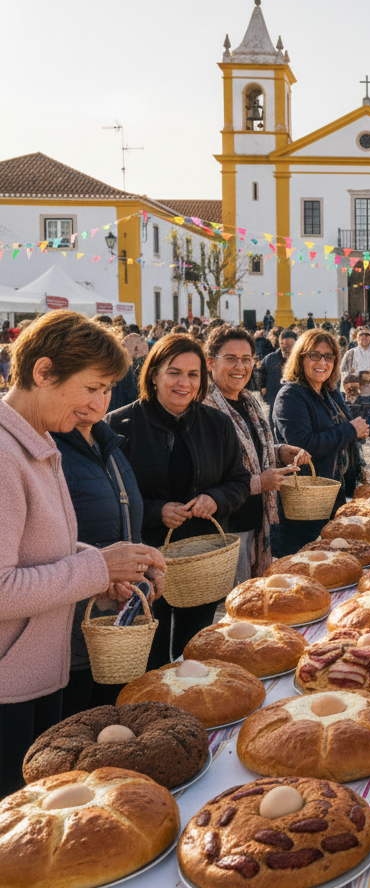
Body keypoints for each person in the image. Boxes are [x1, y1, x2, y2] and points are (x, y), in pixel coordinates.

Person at [1, 311, 167, 795]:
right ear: (43, 372)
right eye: (91, 388)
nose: (98, 408)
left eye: (107, 390)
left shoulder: (39, 441)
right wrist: (96, 565)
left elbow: (39, 548)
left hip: (35, 676)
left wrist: (103, 569)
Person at [108, 334, 251, 666]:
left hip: (200, 563)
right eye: (174, 372)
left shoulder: (216, 423)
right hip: (143, 563)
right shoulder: (120, 425)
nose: (184, 382)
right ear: (154, 374)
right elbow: (111, 499)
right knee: (149, 656)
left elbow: (240, 481)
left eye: (193, 374)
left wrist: (215, 499)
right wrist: (157, 511)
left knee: (195, 652)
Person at [55, 391, 149, 718]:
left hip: (116, 628)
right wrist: (103, 569)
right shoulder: (49, 448)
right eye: (88, 387)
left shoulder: (106, 442)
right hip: (70, 636)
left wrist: (142, 569)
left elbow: (127, 523)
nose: (98, 401)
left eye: (106, 388)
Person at [203, 327, 311, 580]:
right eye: (230, 358)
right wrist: (258, 483)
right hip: (226, 526)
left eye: (246, 359)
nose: (239, 366)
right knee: (236, 603)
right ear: (210, 362)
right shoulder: (204, 408)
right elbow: (207, 473)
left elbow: (251, 450)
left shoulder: (247, 401)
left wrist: (279, 450)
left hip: (255, 519)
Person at [273, 330, 370, 556]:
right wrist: (350, 430)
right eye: (314, 355)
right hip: (304, 505)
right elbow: (304, 444)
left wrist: (359, 431)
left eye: (329, 357)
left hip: (332, 496)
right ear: (300, 358)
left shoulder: (329, 392)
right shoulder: (291, 396)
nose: (322, 362)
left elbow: (342, 429)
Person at [340, 327, 370, 432]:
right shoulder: (350, 353)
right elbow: (342, 370)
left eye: (367, 335)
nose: (364, 338)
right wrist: (354, 377)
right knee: (354, 424)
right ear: (357, 338)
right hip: (354, 393)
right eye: (361, 335)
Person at [261, 328, 296, 415]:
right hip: (274, 402)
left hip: (295, 404)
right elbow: (262, 376)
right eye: (282, 344)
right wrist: (264, 391)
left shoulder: (302, 359)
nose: (285, 348)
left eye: (289, 345)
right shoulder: (270, 359)